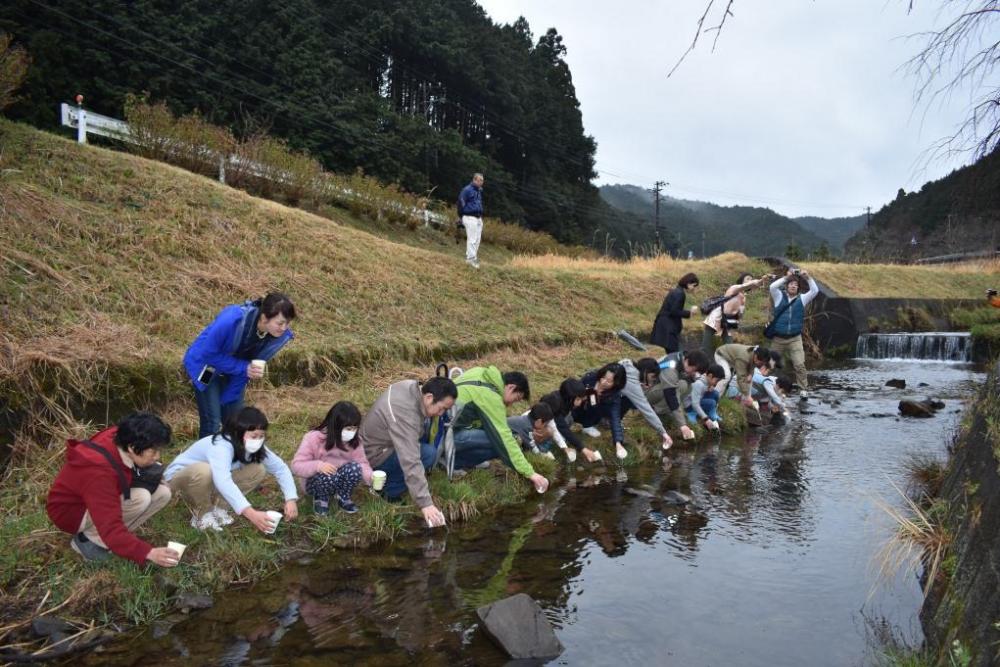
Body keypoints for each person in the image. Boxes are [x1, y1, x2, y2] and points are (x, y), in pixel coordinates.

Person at [46, 412, 180, 566]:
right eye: (154, 451)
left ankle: (118, 540)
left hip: (96, 494)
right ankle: (88, 542)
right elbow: (111, 527)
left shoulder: (121, 435)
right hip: (72, 512)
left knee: (162, 493)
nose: (157, 456)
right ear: (132, 448)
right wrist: (148, 552)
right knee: (141, 499)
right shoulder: (99, 473)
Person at [164, 406, 299, 532]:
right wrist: (250, 513)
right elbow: (223, 480)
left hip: (208, 479)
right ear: (238, 432)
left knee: (258, 469)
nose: (258, 440)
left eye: (261, 436)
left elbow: (280, 468)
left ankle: (219, 508)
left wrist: (290, 499)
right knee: (204, 471)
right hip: (178, 481)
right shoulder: (221, 446)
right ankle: (202, 514)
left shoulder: (253, 446)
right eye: (254, 436)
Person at [184, 293, 296, 438]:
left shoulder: (275, 336)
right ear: (264, 318)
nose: (284, 328)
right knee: (212, 422)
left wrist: (230, 398)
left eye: (287, 323)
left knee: (236, 424)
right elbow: (208, 354)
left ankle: (231, 456)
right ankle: (205, 459)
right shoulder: (232, 319)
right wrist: (244, 368)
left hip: (235, 373)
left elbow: (245, 367)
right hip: (207, 367)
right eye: (280, 323)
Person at [360, 376, 456, 528]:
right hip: (373, 456)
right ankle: (387, 490)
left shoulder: (411, 387)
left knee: (423, 448)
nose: (441, 413)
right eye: (442, 408)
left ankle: (393, 483)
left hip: (379, 443)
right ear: (429, 397)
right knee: (428, 454)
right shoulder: (405, 413)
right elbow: (410, 460)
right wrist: (426, 504)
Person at [451, 366, 550, 492]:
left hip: (441, 430)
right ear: (511, 387)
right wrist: (530, 473)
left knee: (498, 437)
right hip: (447, 436)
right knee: (505, 441)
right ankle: (454, 463)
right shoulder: (491, 397)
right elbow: (504, 438)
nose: (511, 404)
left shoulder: (479, 372)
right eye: (516, 398)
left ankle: (462, 459)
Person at [291, 401, 373, 516]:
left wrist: (371, 477)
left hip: (339, 479)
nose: (351, 432)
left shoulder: (355, 441)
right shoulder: (314, 438)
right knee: (329, 474)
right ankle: (321, 498)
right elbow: (296, 466)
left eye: (354, 428)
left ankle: (343, 495)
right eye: (348, 428)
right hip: (316, 482)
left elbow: (362, 463)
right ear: (335, 425)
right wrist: (318, 466)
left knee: (355, 468)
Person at [767, 269, 820, 397]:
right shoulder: (779, 296)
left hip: (795, 338)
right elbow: (772, 286)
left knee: (799, 364)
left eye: (795, 285)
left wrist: (808, 278)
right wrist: (786, 277)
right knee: (770, 364)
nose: (793, 286)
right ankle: (766, 386)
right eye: (791, 284)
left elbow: (815, 291)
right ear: (786, 286)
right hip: (778, 338)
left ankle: (803, 389)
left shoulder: (802, 299)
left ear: (798, 288)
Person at [644, 349, 710, 441]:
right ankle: (657, 411)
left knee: (687, 385)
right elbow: (670, 394)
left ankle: (665, 411)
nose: (694, 373)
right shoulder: (671, 366)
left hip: (659, 390)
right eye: (694, 370)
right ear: (687, 361)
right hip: (646, 395)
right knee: (680, 386)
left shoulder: (682, 360)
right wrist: (682, 425)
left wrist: (691, 378)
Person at [573, 362, 630, 460]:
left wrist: (618, 443)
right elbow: (573, 392)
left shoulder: (614, 395)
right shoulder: (590, 378)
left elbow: (615, 418)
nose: (603, 382)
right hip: (576, 409)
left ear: (616, 383)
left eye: (608, 381)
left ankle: (588, 425)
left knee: (601, 405)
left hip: (593, 413)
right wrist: (585, 396)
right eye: (603, 377)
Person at [701, 273, 769, 354]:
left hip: (727, 322)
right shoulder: (734, 288)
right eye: (748, 278)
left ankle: (727, 364)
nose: (750, 280)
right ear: (741, 280)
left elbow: (739, 314)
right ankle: (700, 363)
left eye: (751, 279)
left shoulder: (743, 297)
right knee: (706, 346)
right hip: (716, 318)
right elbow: (747, 285)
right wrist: (761, 280)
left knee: (729, 346)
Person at [624, 358, 675, 451]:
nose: (652, 381)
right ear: (646, 372)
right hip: (599, 400)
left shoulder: (629, 368)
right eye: (652, 377)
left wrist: (640, 386)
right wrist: (663, 433)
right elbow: (645, 408)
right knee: (631, 403)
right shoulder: (631, 381)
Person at [538, 378, 589, 463]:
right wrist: (582, 447)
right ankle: (542, 449)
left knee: (569, 419)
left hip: (551, 423)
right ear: (570, 398)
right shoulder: (555, 404)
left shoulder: (565, 400)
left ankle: (556, 441)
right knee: (550, 431)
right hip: (539, 426)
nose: (580, 403)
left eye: (581, 399)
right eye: (578, 399)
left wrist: (565, 447)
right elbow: (561, 426)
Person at [650, 273, 700, 354]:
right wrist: (690, 312)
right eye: (694, 286)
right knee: (674, 354)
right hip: (668, 327)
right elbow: (674, 311)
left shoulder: (676, 291)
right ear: (688, 283)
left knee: (671, 353)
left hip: (664, 324)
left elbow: (673, 310)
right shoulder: (680, 294)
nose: (694, 289)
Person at [714, 344, 780, 403]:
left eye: (761, 362)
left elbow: (751, 370)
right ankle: (713, 397)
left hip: (732, 359)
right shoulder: (743, 358)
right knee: (726, 376)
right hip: (722, 355)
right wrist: (747, 395)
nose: (758, 363)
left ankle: (718, 399)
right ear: (756, 356)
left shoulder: (756, 354)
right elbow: (740, 378)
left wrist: (750, 374)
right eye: (758, 361)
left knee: (749, 379)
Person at [457, 173, 485, 269]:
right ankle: (470, 259)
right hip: (469, 216)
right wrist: (461, 215)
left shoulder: (479, 192)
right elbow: (461, 202)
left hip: (478, 217)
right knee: (472, 239)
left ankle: (473, 258)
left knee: (477, 239)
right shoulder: (467, 190)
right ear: (474, 180)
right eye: (479, 180)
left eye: (482, 180)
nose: (481, 182)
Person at [686, 363, 725, 431]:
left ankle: (711, 413)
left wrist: (710, 386)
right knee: (711, 402)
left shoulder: (706, 380)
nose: (716, 383)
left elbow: (704, 390)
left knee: (715, 394)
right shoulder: (699, 384)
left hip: (698, 398)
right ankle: (691, 413)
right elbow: (695, 404)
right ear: (710, 376)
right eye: (717, 380)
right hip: (690, 404)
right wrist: (705, 419)